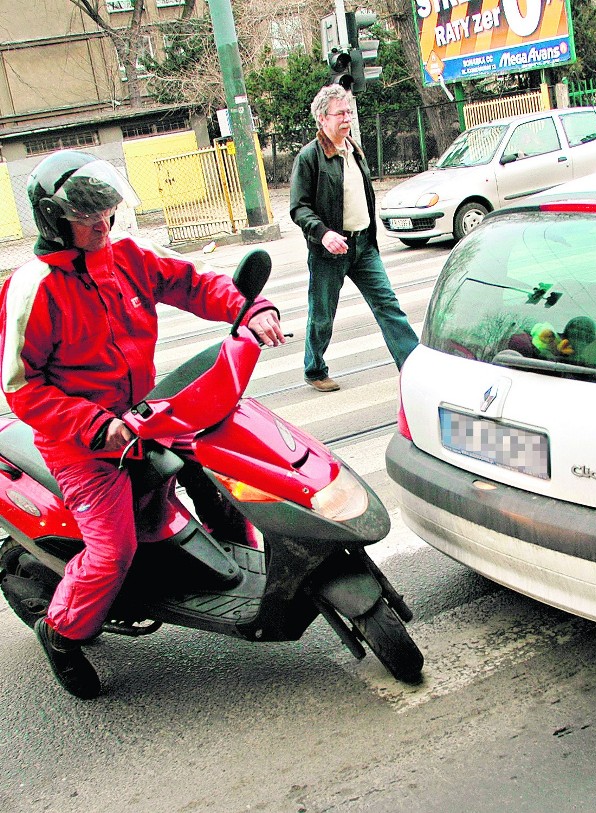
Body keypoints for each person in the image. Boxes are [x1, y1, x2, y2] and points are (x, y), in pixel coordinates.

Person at [0, 149, 286, 699]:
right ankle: (61, 632)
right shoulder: (33, 288)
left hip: (149, 414)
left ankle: (238, 569)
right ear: (54, 220)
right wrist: (91, 424)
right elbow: (21, 387)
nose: (102, 225)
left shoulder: (126, 254)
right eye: (88, 218)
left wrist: (247, 309)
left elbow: (192, 284)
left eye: (106, 213)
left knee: (225, 471)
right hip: (83, 444)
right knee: (112, 552)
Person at [290, 85, 418, 392]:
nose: (347, 118)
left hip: (363, 246)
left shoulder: (353, 148)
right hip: (329, 251)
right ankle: (314, 368)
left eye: (349, 112)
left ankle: (413, 365)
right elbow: (298, 207)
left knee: (388, 305)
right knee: (322, 315)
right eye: (340, 113)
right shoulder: (310, 157)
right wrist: (323, 234)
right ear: (322, 119)